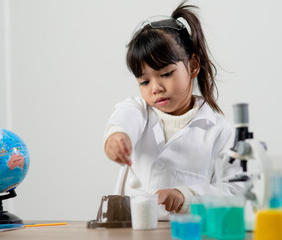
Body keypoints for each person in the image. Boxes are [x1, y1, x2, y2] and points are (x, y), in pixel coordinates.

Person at [103, 1, 242, 219]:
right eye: (144, 81)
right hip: (131, 230)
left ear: (194, 66)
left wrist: (186, 196)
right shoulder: (139, 110)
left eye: (166, 74)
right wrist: (116, 139)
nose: (156, 88)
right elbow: (123, 121)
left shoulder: (219, 131)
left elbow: (235, 190)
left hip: (185, 231)